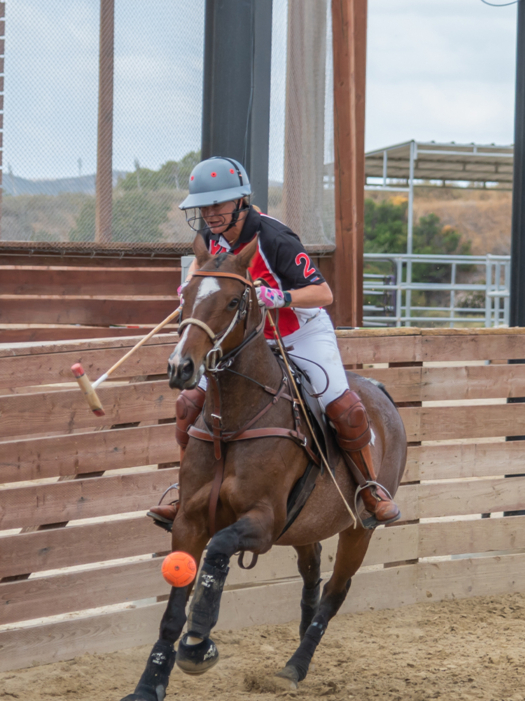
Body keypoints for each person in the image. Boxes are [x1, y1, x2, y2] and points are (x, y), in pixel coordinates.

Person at [150, 156, 400, 528]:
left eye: (217, 204)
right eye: (204, 207)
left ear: (240, 202)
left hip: (300, 333)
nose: (210, 214)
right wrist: (190, 290)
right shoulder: (210, 240)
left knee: (343, 405)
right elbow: (198, 274)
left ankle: (370, 488)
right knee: (188, 403)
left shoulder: (274, 237)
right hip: (246, 341)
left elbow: (323, 292)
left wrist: (279, 297)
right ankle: (187, 495)